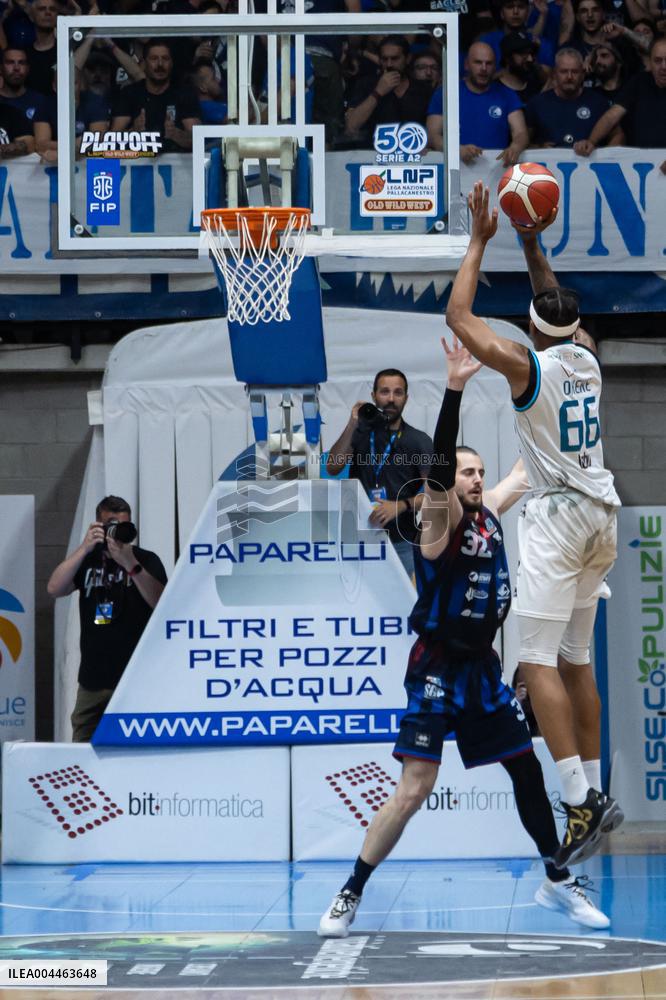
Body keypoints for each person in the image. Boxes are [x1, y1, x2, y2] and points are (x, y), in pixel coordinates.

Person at [318, 338, 610, 938]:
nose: (476, 479)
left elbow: (538, 460)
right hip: (435, 667)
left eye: (480, 472)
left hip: (481, 670)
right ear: (449, 479)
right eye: (467, 472)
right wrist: (455, 386)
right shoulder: (435, 518)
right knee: (413, 791)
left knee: (527, 771)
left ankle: (557, 879)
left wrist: (564, 365)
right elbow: (445, 461)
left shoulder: (491, 511)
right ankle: (351, 891)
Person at [445, 182, 623, 869]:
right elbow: (552, 305)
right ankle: (597, 793)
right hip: (603, 515)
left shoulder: (528, 366)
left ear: (529, 328)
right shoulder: (586, 358)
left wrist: (481, 240)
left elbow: (461, 317)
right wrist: (529, 241)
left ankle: (577, 798)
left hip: (558, 517)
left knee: (534, 662)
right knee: (576, 660)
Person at [47, 496, 167, 742]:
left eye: (124, 525)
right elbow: (54, 588)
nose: (118, 532)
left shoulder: (145, 560)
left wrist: (130, 564)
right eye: (112, 525)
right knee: (82, 747)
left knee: (136, 748)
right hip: (93, 680)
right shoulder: (87, 560)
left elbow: (161, 603)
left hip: (135, 678)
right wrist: (84, 548)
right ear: (98, 527)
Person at [325, 369, 432, 577]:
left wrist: (401, 506)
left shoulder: (419, 440)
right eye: (384, 392)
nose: (391, 399)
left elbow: (436, 495)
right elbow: (333, 467)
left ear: (406, 398)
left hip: (403, 543)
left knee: (406, 607)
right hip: (359, 540)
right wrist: (353, 423)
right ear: (373, 396)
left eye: (398, 393)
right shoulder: (360, 434)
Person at [426, 42, 528, 166]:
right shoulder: (446, 93)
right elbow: (432, 135)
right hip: (455, 171)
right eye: (478, 62)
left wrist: (515, 147)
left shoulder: (507, 94)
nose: (484, 68)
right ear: (466, 65)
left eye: (489, 63)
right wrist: (456, 150)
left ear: (495, 66)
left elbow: (520, 132)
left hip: (497, 172)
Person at [575, 38, 666, 164]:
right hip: (640, 166)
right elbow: (611, 116)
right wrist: (591, 141)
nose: (664, 66)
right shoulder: (639, 82)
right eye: (658, 61)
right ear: (650, 63)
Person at [111, 39, 201, 153]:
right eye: (154, 59)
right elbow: (112, 141)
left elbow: (197, 140)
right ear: (144, 63)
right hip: (136, 165)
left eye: (165, 59)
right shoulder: (129, 93)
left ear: (172, 63)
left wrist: (176, 134)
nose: (160, 64)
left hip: (178, 166)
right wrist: (133, 132)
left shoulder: (185, 93)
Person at [345, 36, 432, 146]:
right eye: (384, 59)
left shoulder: (423, 90)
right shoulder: (366, 85)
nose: (389, 64)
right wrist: (378, 92)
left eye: (395, 58)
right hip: (373, 155)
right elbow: (351, 127)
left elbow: (434, 130)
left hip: (414, 154)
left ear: (408, 58)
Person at [524, 48, 612, 149]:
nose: (569, 77)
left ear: (582, 74)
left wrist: (608, 157)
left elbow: (617, 135)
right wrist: (539, 148)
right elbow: (523, 142)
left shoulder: (598, 103)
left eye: (574, 72)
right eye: (563, 71)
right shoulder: (536, 104)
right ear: (554, 74)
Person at [479, 0, 556, 73]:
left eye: (521, 7)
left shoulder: (542, 44)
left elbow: (548, 79)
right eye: (510, 7)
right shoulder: (486, 42)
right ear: (502, 13)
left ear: (528, 12)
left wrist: (533, 58)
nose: (515, 12)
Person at [497, 30, 546, 104]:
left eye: (531, 53)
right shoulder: (496, 89)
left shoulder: (534, 83)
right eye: (523, 54)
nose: (530, 59)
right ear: (507, 58)